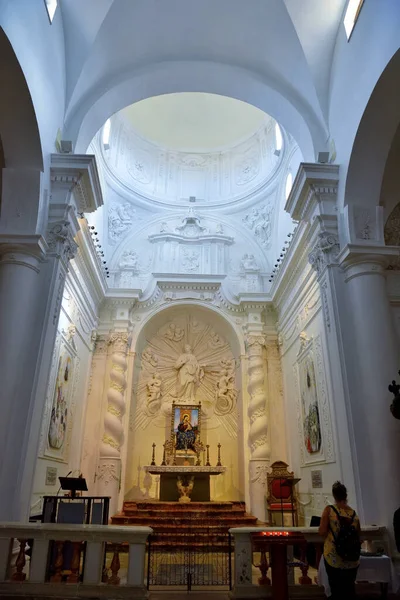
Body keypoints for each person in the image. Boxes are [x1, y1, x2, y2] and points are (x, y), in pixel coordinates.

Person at [318, 481, 361, 600]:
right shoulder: (353, 514)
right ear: (345, 495)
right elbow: (358, 535)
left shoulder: (329, 510)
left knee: (335, 589)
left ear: (334, 496)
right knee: (349, 589)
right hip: (352, 558)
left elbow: (322, 532)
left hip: (334, 557)